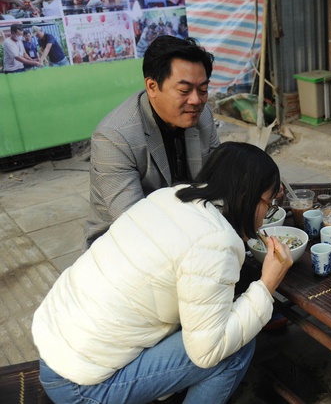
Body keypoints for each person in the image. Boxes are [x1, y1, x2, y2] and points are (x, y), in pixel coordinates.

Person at [33, 141, 294, 404]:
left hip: (56, 349)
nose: (265, 215)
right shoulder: (215, 241)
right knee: (235, 349)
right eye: (268, 203)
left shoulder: (170, 196)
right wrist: (267, 284)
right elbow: (208, 351)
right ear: (247, 197)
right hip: (81, 386)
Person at [84, 36, 220, 247]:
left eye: (203, 90)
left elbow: (217, 179)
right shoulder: (114, 137)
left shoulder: (202, 116)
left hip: (190, 224)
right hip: (125, 245)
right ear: (152, 86)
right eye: (184, 91)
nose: (196, 101)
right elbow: (134, 222)